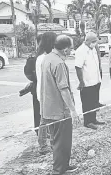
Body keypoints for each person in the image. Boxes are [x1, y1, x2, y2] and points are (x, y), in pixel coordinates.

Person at [39, 34, 78, 174]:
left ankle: (64, 165)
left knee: (58, 141)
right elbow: (64, 90)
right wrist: (73, 111)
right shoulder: (59, 63)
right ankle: (59, 170)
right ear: (66, 49)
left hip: (48, 109)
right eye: (71, 48)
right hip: (60, 111)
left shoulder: (47, 58)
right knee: (61, 143)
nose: (71, 51)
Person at [75, 32, 106, 130]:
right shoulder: (81, 50)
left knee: (94, 102)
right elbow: (78, 67)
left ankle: (93, 119)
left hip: (96, 80)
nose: (94, 43)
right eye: (92, 42)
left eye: (95, 41)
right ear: (86, 41)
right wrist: (81, 81)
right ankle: (88, 122)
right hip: (87, 82)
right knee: (87, 102)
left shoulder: (92, 49)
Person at [35, 32, 57, 154]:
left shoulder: (42, 57)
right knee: (46, 119)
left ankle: (45, 144)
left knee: (45, 119)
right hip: (46, 92)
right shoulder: (44, 58)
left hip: (44, 92)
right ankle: (44, 145)